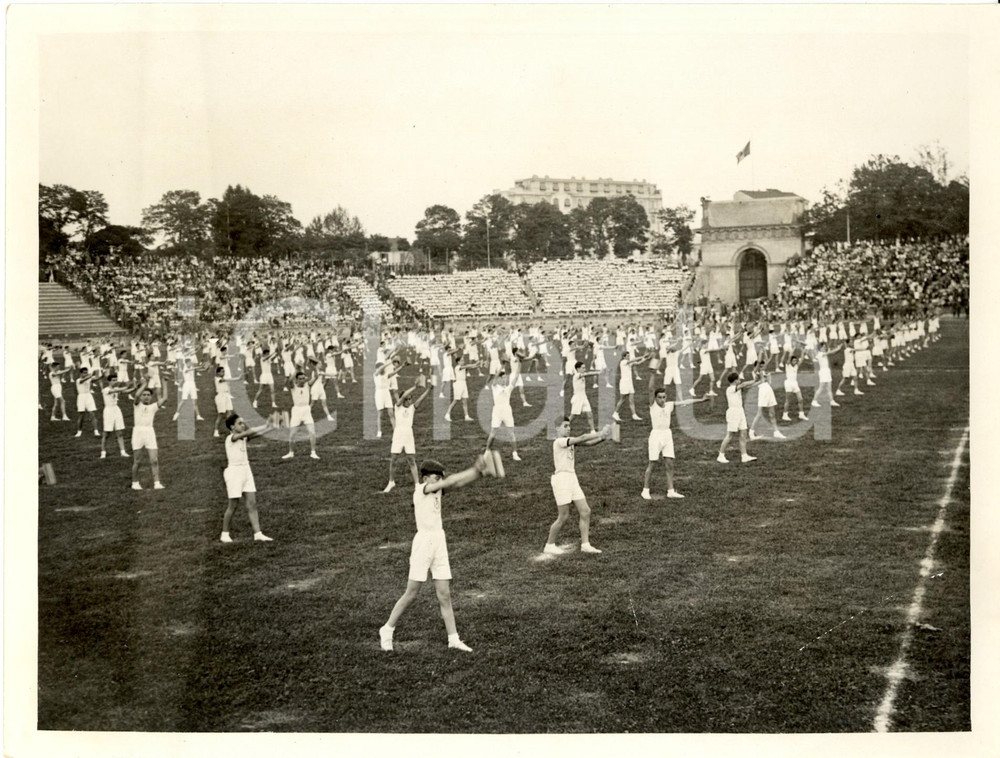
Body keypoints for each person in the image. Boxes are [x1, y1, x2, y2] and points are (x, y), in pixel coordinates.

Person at [378, 455, 497, 653]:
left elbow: (456, 484)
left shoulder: (437, 489)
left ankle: (454, 639)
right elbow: (451, 481)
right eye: (437, 477)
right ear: (425, 478)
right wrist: (474, 467)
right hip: (423, 543)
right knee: (412, 592)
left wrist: (478, 474)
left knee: (444, 594)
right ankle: (387, 629)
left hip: (438, 541)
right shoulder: (420, 489)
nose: (440, 480)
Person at [544, 418, 611, 555]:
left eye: (569, 426)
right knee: (563, 516)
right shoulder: (559, 442)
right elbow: (583, 437)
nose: (568, 428)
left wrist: (603, 437)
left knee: (585, 511)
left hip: (572, 478)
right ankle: (549, 545)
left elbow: (589, 442)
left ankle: (585, 545)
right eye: (565, 426)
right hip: (561, 479)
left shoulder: (569, 442)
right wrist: (600, 432)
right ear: (557, 429)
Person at [641, 387, 708, 500]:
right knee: (652, 463)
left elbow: (685, 402)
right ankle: (645, 490)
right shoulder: (653, 406)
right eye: (659, 397)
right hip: (656, 436)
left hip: (667, 435)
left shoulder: (669, 405)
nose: (662, 400)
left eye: (664, 397)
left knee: (670, 464)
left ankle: (671, 491)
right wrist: (652, 372)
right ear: (655, 398)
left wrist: (701, 400)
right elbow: (650, 389)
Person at [220, 413, 274, 543]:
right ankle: (224, 534)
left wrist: (272, 426)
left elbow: (257, 434)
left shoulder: (243, 438)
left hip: (246, 470)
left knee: (252, 503)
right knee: (233, 505)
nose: (243, 425)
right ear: (232, 427)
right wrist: (266, 424)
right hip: (234, 472)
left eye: (243, 423)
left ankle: (258, 534)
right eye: (239, 423)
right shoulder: (231, 438)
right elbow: (248, 432)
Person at [383, 383, 431, 493]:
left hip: (409, 435)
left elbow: (421, 399)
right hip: (398, 434)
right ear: (403, 400)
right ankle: (391, 482)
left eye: (411, 399)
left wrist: (428, 389)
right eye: (408, 399)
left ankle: (417, 484)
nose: (410, 401)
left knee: (411, 459)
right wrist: (415, 386)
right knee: (394, 458)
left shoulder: (412, 408)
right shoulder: (397, 407)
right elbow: (404, 395)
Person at [717, 371, 763, 464]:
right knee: (730, 435)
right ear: (735, 381)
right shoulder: (730, 389)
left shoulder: (737, 388)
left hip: (740, 411)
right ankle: (721, 455)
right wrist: (754, 379)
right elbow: (744, 384)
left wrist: (760, 381)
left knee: (743, 433)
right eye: (738, 379)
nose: (740, 380)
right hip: (733, 413)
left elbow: (748, 386)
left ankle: (744, 456)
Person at [131, 380, 168, 490]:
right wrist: (145, 384)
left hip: (149, 432)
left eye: (148, 395)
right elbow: (137, 395)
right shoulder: (137, 405)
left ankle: (157, 483)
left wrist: (164, 383)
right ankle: (135, 482)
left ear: (151, 397)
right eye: (144, 395)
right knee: (137, 460)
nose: (146, 397)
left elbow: (165, 398)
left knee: (154, 460)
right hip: (138, 433)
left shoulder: (153, 407)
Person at [282, 371, 320, 459]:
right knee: (292, 434)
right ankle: (291, 452)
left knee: (312, 432)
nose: (302, 380)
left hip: (306, 410)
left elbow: (316, 376)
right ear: (296, 380)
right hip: (296, 411)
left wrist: (313, 367)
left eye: (303, 378)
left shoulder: (308, 385)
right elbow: (289, 381)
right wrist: (296, 369)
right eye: (300, 379)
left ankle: (313, 452)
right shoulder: (293, 387)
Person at [485, 369, 521, 462]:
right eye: (503, 378)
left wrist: (519, 366)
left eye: (506, 378)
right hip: (497, 412)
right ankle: (487, 451)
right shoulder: (495, 387)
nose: (505, 380)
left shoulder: (508, 388)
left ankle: (515, 453)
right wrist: (500, 367)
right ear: (499, 379)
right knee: (493, 433)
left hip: (507, 412)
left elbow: (516, 378)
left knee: (511, 433)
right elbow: (495, 378)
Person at [748, 361, 786, 441]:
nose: (762, 367)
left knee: (772, 414)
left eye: (763, 366)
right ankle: (751, 432)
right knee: (759, 413)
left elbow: (769, 383)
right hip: (762, 392)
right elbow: (758, 382)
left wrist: (769, 377)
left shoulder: (764, 372)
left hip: (769, 391)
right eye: (760, 366)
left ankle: (776, 432)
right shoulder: (755, 372)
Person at [568, 361, 600, 433]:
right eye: (583, 368)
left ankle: (593, 431)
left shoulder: (581, 375)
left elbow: (586, 374)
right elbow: (588, 374)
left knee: (589, 414)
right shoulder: (576, 376)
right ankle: (561, 427)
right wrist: (598, 372)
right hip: (577, 398)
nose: (584, 369)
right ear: (578, 369)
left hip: (584, 397)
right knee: (573, 416)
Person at [213, 365, 244, 437]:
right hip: (220, 397)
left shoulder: (223, 378)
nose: (223, 373)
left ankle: (231, 431)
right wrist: (238, 378)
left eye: (224, 371)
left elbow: (229, 379)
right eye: (222, 372)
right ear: (218, 373)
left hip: (226, 395)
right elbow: (228, 380)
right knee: (221, 415)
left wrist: (239, 378)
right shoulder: (217, 379)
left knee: (229, 413)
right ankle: (216, 431)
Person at [73, 366, 102, 437]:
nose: (85, 374)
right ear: (80, 374)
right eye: (84, 373)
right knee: (81, 415)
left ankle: (96, 431)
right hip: (81, 397)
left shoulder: (89, 379)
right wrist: (91, 375)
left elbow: (96, 379)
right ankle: (79, 431)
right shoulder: (78, 380)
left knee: (92, 414)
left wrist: (103, 375)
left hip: (89, 396)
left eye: (86, 373)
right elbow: (84, 380)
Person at [781, 354, 810, 422]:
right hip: (788, 383)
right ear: (790, 361)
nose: (794, 362)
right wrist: (793, 348)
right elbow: (789, 357)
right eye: (793, 360)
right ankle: (784, 415)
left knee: (800, 399)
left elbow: (802, 358)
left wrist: (803, 350)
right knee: (787, 400)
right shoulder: (788, 365)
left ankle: (801, 414)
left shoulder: (796, 366)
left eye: (795, 361)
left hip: (795, 383)